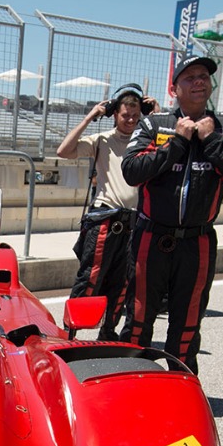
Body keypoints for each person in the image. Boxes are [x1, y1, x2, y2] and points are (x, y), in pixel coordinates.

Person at [121, 56, 223, 370]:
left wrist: (211, 140)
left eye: (204, 76)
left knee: (188, 322)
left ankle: (180, 384)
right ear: (174, 89)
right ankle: (131, 380)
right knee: (139, 318)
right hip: (150, 237)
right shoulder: (153, 124)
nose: (199, 81)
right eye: (190, 77)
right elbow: (131, 171)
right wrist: (178, 143)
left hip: (197, 242)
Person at [56, 83, 152, 340]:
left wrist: (157, 116)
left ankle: (108, 333)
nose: (131, 119)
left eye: (135, 115)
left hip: (134, 222)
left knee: (122, 283)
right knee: (90, 279)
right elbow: (63, 151)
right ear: (114, 114)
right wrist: (89, 116)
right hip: (106, 220)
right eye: (125, 114)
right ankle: (70, 333)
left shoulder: (147, 140)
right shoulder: (102, 140)